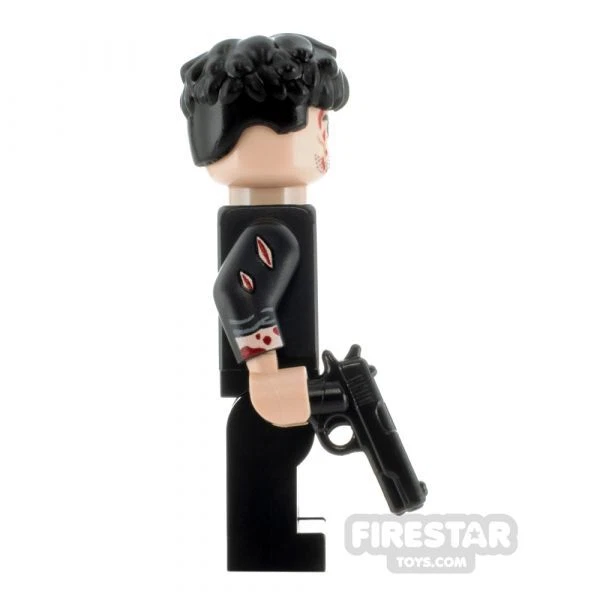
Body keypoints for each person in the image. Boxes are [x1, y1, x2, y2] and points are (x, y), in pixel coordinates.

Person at [180, 33, 349, 571]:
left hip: (273, 392)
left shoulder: (282, 224)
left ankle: (274, 551)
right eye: (319, 120)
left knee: (268, 482)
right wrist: (266, 372)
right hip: (267, 397)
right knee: (263, 486)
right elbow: (234, 290)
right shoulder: (273, 230)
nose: (325, 136)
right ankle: (270, 555)